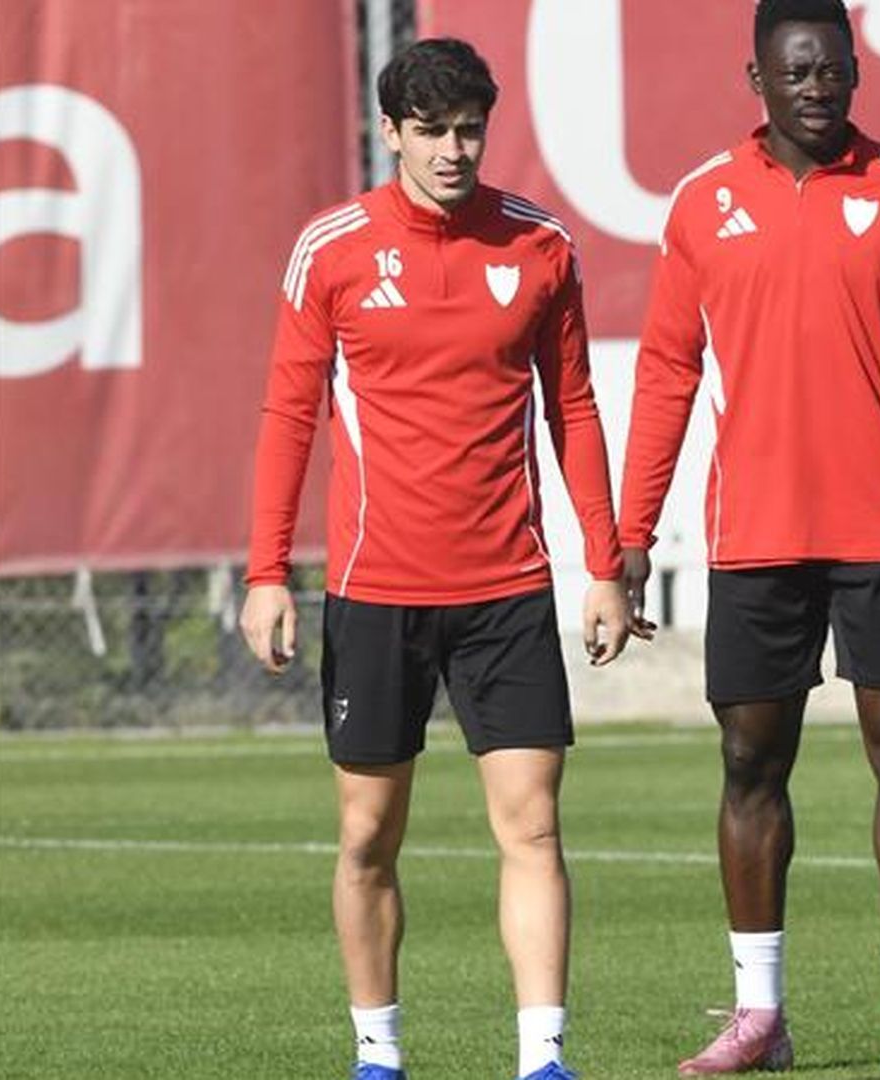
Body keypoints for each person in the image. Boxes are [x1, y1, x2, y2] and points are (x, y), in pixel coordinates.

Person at [239, 37, 632, 1080]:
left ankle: (543, 1058)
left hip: (507, 591)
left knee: (534, 827)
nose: (456, 151)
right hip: (377, 593)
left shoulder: (540, 245)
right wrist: (267, 571)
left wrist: (606, 559)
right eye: (434, 131)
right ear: (392, 132)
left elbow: (576, 407)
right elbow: (289, 413)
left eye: (471, 129)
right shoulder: (330, 249)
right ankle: (379, 1053)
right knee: (368, 838)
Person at [618, 0, 880, 1073]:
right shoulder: (701, 204)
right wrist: (630, 534)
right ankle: (758, 1018)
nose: (818, 88)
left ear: (854, 72)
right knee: (749, 762)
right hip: (756, 534)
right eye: (797, 72)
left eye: (834, 70)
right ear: (758, 80)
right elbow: (665, 375)